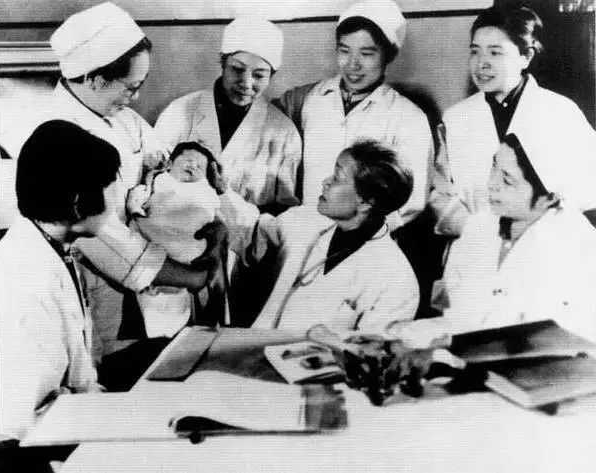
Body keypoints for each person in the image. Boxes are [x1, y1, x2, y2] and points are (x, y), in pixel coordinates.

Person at [37, 2, 210, 355]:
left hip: (153, 270)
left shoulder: (124, 119)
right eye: (131, 87)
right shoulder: (56, 135)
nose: (137, 96)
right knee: (107, 367)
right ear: (96, 79)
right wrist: (193, 277)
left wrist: (210, 224)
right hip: (103, 279)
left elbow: (172, 171)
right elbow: (100, 235)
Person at [0, 120, 119, 446]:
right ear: (79, 203)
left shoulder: (50, 250)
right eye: (111, 187)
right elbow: (22, 419)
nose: (116, 200)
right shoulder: (24, 283)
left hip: (67, 421)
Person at [218, 139, 419, 333]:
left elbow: (368, 351)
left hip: (316, 358)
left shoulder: (396, 279)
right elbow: (249, 233)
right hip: (255, 348)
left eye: (337, 178)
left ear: (365, 202)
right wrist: (220, 189)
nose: (325, 182)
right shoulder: (305, 220)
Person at [430, 4, 596, 236]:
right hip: (475, 246)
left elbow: (588, 187)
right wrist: (479, 230)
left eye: (495, 52)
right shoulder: (456, 118)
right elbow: (442, 195)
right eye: (475, 51)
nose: (481, 63)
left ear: (526, 56)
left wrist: (532, 227)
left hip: (545, 244)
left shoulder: (560, 112)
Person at [274, 0, 433, 228]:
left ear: (388, 55)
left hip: (367, 240)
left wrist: (362, 234)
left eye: (367, 53)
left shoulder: (409, 118)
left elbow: (412, 202)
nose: (352, 65)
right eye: (344, 51)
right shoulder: (306, 99)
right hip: (303, 233)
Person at [436, 131, 596, 341]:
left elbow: (574, 333)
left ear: (548, 198)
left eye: (507, 180)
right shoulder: (480, 224)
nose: (491, 183)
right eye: (494, 166)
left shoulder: (577, 245)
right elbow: (447, 302)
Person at [155, 16, 302, 214]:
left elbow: (284, 210)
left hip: (246, 232)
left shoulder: (284, 133)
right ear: (223, 63)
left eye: (259, 75)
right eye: (237, 70)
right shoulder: (179, 112)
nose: (246, 83)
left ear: (271, 76)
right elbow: (155, 180)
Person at [128, 142, 226, 334]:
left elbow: (212, 214)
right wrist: (136, 211)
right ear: (169, 164)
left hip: (189, 243)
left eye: (200, 166)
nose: (193, 166)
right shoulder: (158, 182)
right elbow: (139, 205)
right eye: (188, 160)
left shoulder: (204, 190)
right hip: (157, 238)